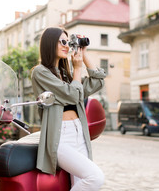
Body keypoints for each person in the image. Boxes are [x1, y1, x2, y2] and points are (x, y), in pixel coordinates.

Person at [31, 27, 106, 190]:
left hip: (79, 131)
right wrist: (78, 69)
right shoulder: (40, 72)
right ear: (50, 44)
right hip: (60, 136)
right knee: (95, 177)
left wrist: (83, 53)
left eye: (68, 42)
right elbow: (72, 95)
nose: (66, 46)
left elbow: (98, 81)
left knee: (82, 183)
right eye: (62, 42)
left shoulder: (67, 75)